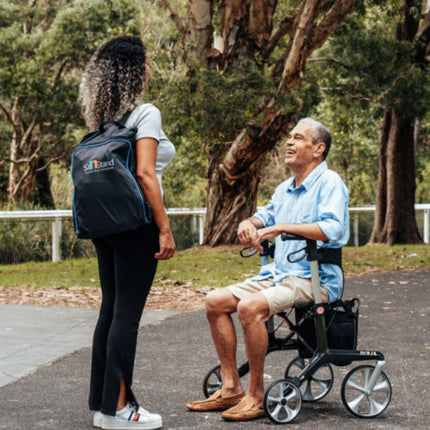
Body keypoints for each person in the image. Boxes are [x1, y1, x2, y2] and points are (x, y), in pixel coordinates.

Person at [186, 118, 349, 422]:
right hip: (279, 275)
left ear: (318, 149)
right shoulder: (285, 189)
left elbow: (332, 229)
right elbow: (264, 216)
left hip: (316, 278)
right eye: (290, 136)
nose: (289, 141)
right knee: (214, 301)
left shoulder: (330, 183)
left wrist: (281, 228)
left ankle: (256, 395)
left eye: (298, 137)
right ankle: (231, 387)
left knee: (250, 307)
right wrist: (249, 223)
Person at [79, 35, 175, 430]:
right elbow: (145, 174)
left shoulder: (104, 121)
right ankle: (120, 410)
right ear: (135, 72)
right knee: (127, 316)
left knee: (110, 311)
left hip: (105, 226)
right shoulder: (145, 113)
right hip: (138, 224)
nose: (150, 70)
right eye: (146, 64)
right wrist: (164, 228)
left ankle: (104, 407)